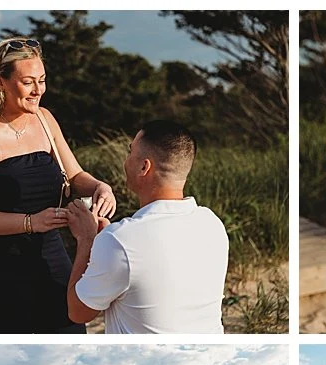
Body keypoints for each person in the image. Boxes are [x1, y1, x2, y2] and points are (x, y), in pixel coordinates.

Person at [0, 37, 116, 333]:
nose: (38, 90)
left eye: (42, 80)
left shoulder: (45, 119)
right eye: (28, 82)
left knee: (70, 333)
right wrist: (30, 222)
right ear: (0, 82)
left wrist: (99, 187)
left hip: (51, 255)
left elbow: (75, 175)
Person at [64, 120, 228, 333]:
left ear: (144, 167)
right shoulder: (212, 223)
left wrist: (87, 240)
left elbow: (78, 312)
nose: (126, 160)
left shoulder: (120, 241)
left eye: (130, 152)